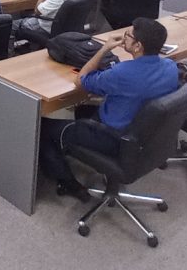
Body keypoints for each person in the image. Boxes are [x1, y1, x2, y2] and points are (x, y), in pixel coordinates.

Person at [39, 18, 179, 200]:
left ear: (138, 46)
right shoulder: (170, 67)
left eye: (128, 35)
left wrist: (104, 48)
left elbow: (81, 80)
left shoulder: (123, 72)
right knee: (84, 108)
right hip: (144, 135)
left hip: (113, 137)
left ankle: (69, 183)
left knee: (41, 128)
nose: (124, 37)